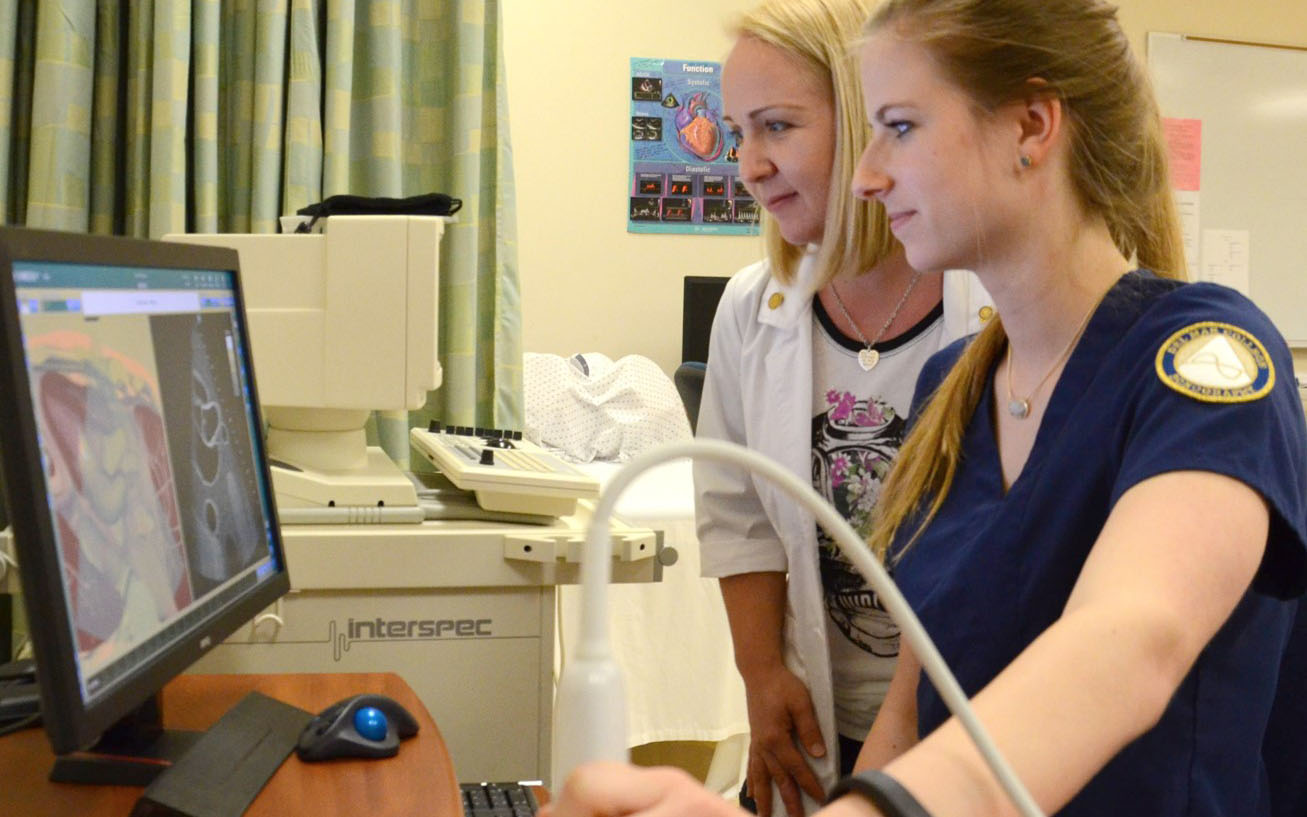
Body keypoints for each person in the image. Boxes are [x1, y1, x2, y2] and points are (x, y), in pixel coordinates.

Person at [543, 1, 1307, 816]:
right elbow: (909, 720)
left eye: (898, 127)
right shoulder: (952, 387)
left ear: (1031, 126)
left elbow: (1130, 639)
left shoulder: (1209, 364)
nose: (866, 175)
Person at [696, 1, 992, 815]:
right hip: (818, 710)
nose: (749, 164)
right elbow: (735, 513)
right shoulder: (753, 312)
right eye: (738, 134)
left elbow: (981, 553)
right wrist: (761, 675)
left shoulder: (983, 309)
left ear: (868, 121)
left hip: (971, 706)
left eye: (778, 127)